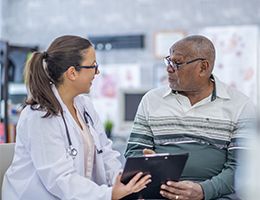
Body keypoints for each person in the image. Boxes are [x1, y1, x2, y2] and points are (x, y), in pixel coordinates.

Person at [2, 35, 151, 200]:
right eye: (93, 66)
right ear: (72, 73)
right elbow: (59, 179)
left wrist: (124, 181)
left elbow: (106, 153)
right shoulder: (39, 116)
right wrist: (108, 195)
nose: (97, 72)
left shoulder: (84, 106)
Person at [125, 35, 256, 200]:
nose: (169, 68)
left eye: (177, 63)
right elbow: (134, 153)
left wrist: (203, 191)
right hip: (160, 194)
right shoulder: (151, 100)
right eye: (168, 61)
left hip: (215, 196)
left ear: (203, 67)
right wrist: (148, 165)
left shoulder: (241, 105)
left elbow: (242, 168)